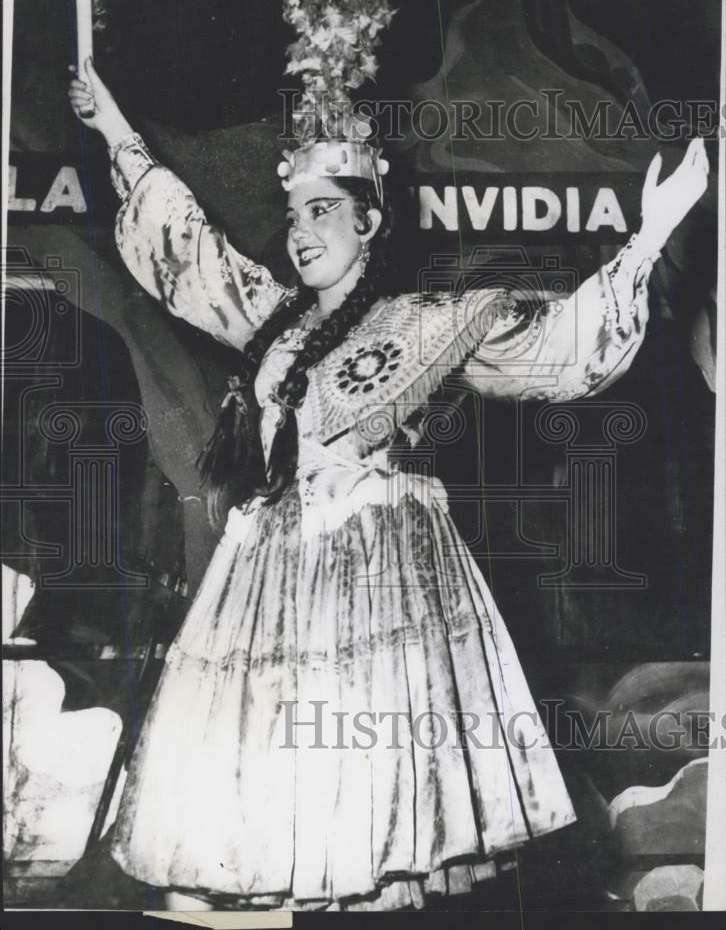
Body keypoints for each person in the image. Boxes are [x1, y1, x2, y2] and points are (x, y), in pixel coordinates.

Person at [69, 57, 708, 911]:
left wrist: (652, 233)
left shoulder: (424, 322)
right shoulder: (270, 321)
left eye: (324, 210)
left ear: (369, 221)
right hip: (269, 584)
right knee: (276, 825)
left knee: (372, 825)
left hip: (381, 589)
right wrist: (112, 125)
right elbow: (191, 252)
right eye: (296, 212)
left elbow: (556, 354)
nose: (303, 229)